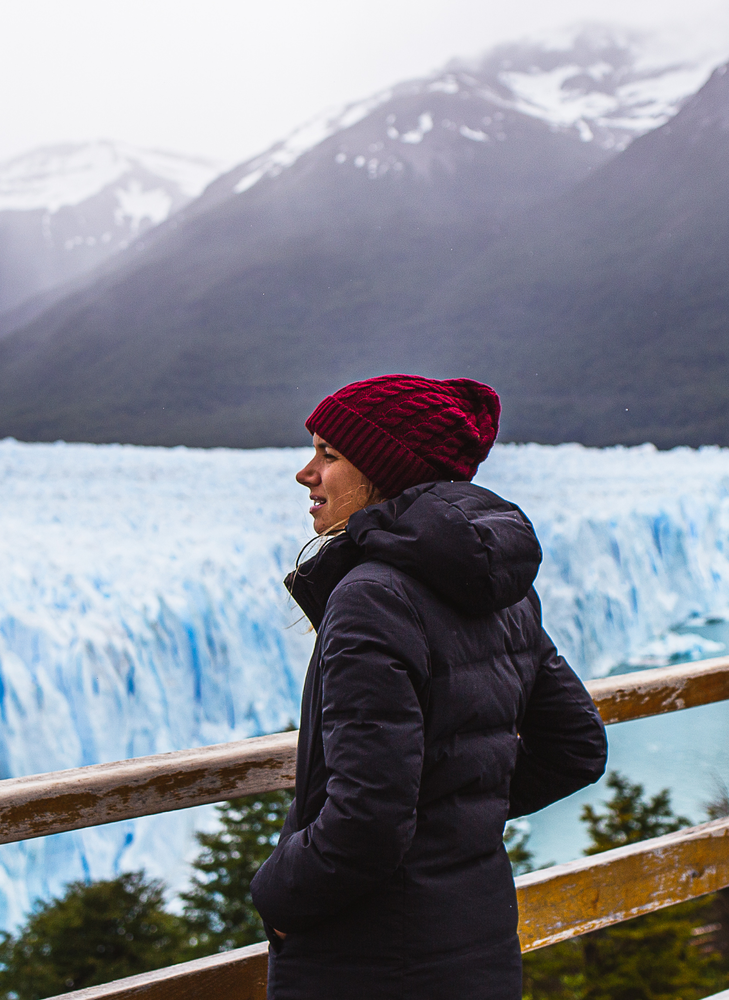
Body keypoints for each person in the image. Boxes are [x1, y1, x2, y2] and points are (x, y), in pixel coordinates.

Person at [250, 374, 609, 1000]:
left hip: (368, 961)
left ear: (384, 471)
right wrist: (455, 817)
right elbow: (574, 746)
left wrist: (278, 892)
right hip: (477, 939)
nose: (306, 474)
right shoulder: (501, 588)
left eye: (329, 455)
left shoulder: (371, 596)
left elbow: (366, 823)